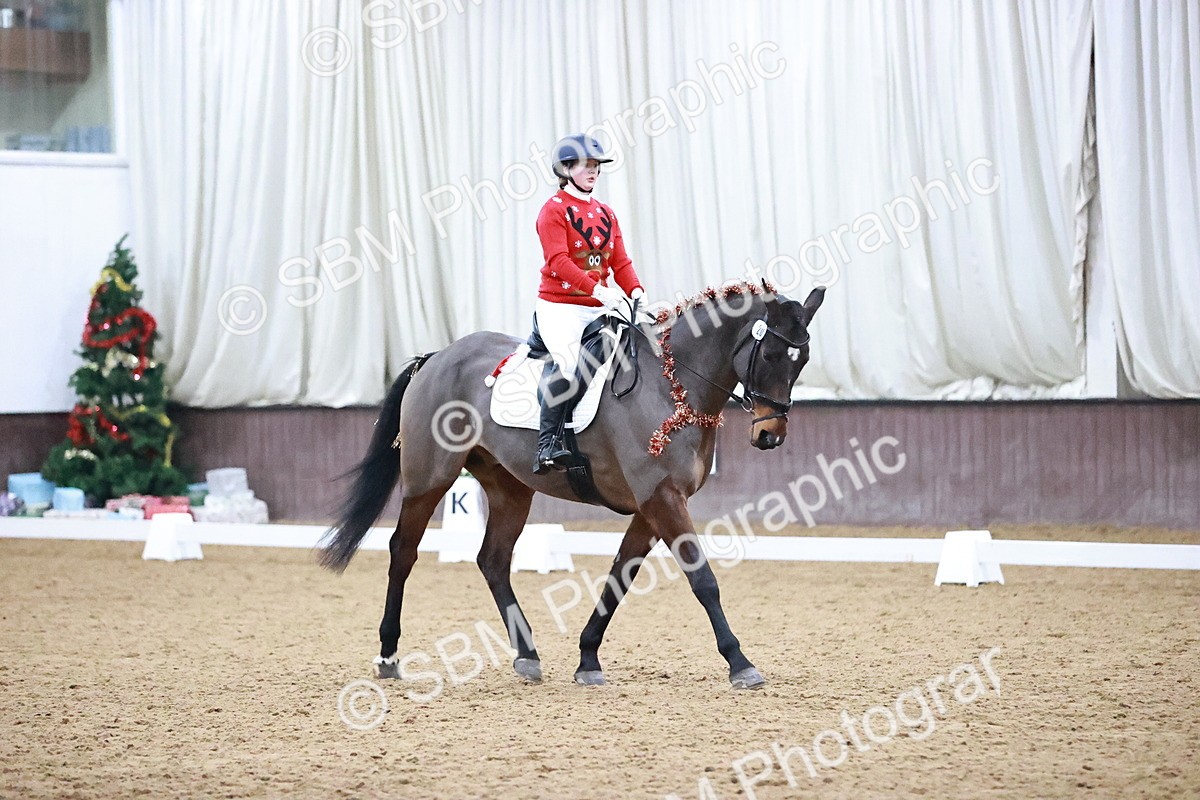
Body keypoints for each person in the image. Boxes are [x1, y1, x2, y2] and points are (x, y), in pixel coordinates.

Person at [532, 134, 645, 474]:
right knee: (568, 365)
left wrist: (636, 290)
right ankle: (548, 443)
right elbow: (558, 262)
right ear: (566, 169)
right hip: (560, 306)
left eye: (596, 166)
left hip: (599, 303)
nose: (594, 171)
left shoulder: (606, 213)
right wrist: (598, 290)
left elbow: (620, 262)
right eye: (586, 165)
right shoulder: (552, 211)